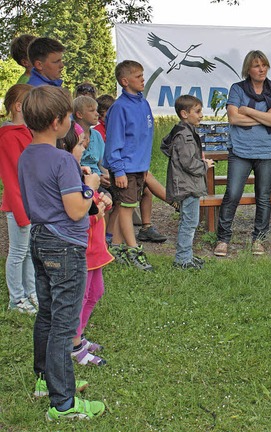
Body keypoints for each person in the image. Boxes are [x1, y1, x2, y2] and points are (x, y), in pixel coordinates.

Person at [18, 85, 105, 420]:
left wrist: (77, 175)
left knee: (48, 314)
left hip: (39, 239)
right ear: (58, 121)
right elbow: (75, 210)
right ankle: (63, 403)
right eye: (70, 116)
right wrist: (91, 188)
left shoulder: (29, 155)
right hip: (65, 246)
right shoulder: (61, 160)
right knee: (64, 323)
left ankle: (44, 379)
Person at [213, 50, 271, 257]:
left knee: (263, 197)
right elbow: (233, 119)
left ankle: (259, 240)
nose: (261, 69)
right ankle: (223, 239)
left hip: (268, 153)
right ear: (248, 69)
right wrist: (264, 116)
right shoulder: (237, 89)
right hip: (241, 151)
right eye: (256, 65)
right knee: (232, 194)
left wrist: (248, 111)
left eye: (264, 65)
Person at [56, 121, 112, 367]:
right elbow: (78, 212)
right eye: (80, 144)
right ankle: (74, 344)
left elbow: (95, 200)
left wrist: (103, 198)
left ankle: (78, 335)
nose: (84, 148)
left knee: (95, 292)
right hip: (84, 249)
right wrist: (97, 207)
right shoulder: (66, 176)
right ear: (66, 147)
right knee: (81, 296)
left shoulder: (81, 172)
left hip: (96, 249)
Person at [104, 60, 154, 271]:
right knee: (126, 209)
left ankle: (115, 248)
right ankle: (134, 250)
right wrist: (118, 169)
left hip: (139, 167)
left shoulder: (143, 103)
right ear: (125, 81)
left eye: (143, 75)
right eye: (138, 76)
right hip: (125, 169)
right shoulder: (119, 108)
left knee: (122, 208)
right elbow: (114, 141)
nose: (143, 79)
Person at [161, 95, 214, 269]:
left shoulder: (182, 131)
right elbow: (188, 162)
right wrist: (204, 165)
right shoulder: (185, 135)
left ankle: (187, 256)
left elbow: (165, 146)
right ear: (184, 114)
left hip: (186, 183)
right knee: (190, 222)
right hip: (188, 185)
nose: (201, 115)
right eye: (197, 111)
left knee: (188, 221)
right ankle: (182, 259)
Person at [0, 84, 37, 314]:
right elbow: (12, 178)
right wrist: (21, 211)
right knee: (17, 252)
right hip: (18, 206)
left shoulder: (27, 132)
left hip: (31, 204)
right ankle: (16, 299)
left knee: (29, 252)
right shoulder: (8, 137)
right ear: (18, 106)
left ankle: (30, 291)